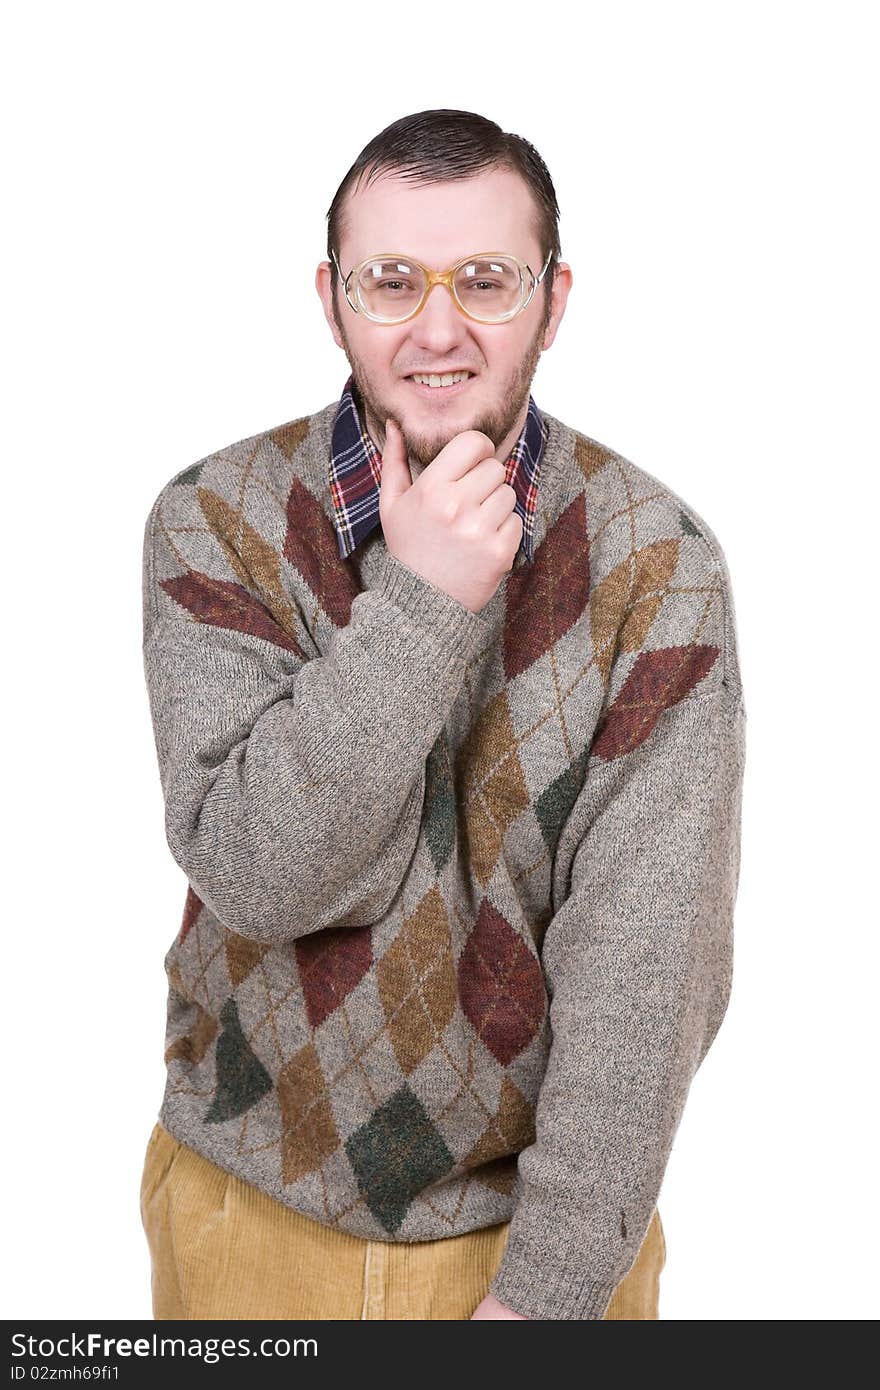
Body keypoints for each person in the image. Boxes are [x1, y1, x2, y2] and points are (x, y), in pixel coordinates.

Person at [138, 108, 746, 1321]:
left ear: (553, 299)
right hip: (245, 1217)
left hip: (540, 1240)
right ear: (331, 298)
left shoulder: (659, 568)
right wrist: (420, 604)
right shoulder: (212, 520)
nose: (436, 328)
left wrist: (547, 1295)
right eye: (391, 281)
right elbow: (264, 876)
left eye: (485, 280)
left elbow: (649, 968)